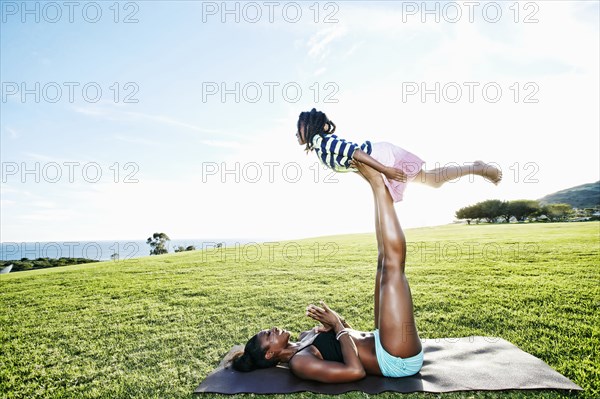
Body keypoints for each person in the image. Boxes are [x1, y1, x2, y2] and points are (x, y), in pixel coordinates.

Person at [231, 161, 424, 382]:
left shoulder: (305, 336)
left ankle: (377, 186)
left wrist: (336, 322)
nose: (272, 329)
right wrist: (338, 326)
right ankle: (378, 184)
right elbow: (355, 371)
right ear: (269, 353)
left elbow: (349, 337)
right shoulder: (300, 362)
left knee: (383, 262)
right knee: (392, 268)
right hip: (394, 358)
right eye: (267, 335)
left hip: (380, 339)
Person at [296, 108, 502, 202]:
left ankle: (478, 168)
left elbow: (355, 152)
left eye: (300, 127)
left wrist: (386, 170)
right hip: (381, 162)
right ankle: (477, 167)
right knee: (431, 180)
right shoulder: (320, 148)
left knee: (432, 180)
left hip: (385, 158)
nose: (296, 132)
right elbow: (352, 164)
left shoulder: (323, 141)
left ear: (312, 127)